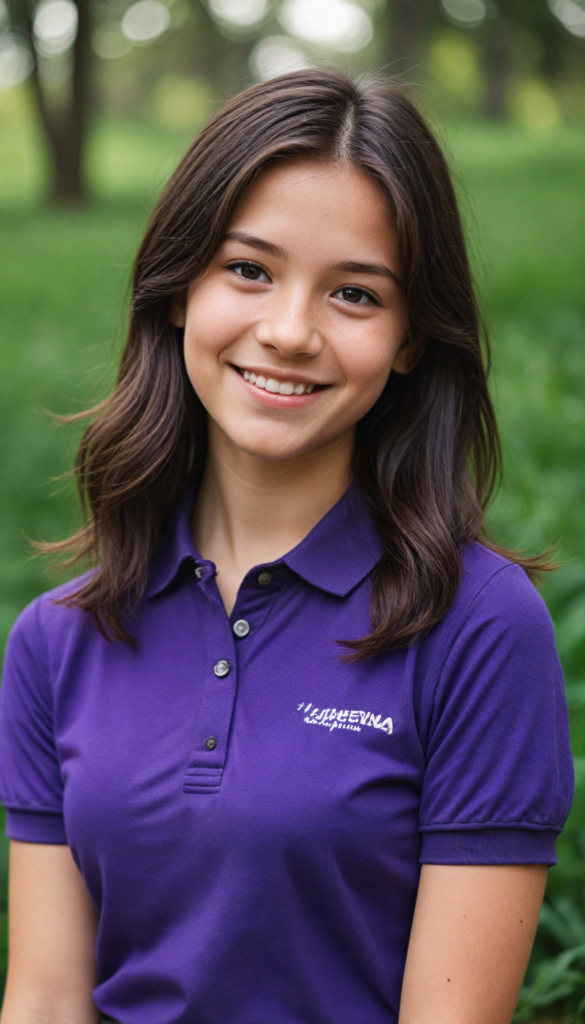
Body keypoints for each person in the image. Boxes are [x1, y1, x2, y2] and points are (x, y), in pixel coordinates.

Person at [0, 69, 574, 1024]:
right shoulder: (57, 640)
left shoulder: (477, 626)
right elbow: (51, 1000)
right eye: (249, 270)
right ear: (179, 288)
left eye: (353, 293)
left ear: (406, 341)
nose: (289, 331)